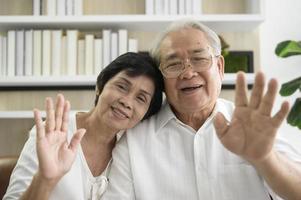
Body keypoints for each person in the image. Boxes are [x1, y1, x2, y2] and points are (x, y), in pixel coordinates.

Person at [101, 20, 301, 200]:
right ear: (161, 77)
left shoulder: (251, 126)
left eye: (199, 59)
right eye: (173, 64)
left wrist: (265, 159)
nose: (188, 72)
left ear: (220, 67)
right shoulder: (134, 141)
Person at [3, 52, 164, 200]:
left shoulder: (131, 150)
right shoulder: (53, 134)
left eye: (141, 98)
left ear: (146, 113)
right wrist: (44, 180)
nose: (127, 102)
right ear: (99, 87)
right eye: (121, 86)